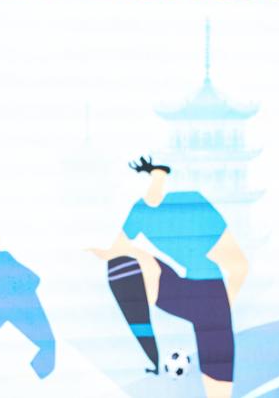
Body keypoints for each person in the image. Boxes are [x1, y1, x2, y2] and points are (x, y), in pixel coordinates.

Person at [91, 156, 247, 398]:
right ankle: (153, 352)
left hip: (207, 291)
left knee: (218, 373)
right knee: (125, 264)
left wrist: (223, 309)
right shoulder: (141, 211)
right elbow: (118, 250)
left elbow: (238, 266)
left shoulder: (192, 204)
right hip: (187, 289)